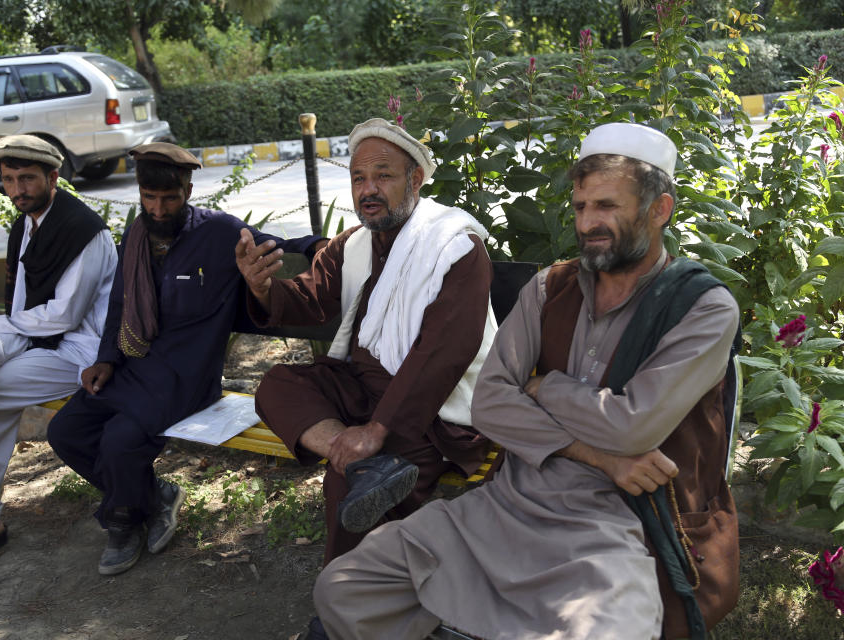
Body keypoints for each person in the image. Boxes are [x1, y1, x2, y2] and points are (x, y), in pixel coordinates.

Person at [312, 122, 742, 640]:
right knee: (346, 585)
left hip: (616, 525)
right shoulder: (549, 288)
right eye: (581, 207)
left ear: (659, 210)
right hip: (508, 504)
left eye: (607, 206)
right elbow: (490, 404)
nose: (588, 224)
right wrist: (600, 454)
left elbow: (633, 428)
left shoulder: (702, 308)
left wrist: (543, 387)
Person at [235, 118, 497, 638]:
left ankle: (340, 618)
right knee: (276, 385)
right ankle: (361, 471)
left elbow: (441, 357)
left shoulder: (455, 245)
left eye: (383, 175)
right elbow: (310, 297)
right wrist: (264, 290)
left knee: (345, 479)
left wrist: (378, 431)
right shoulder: (354, 243)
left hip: (430, 411)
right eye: (358, 177)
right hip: (358, 388)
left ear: (416, 180)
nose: (368, 189)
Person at [47, 142, 324, 576]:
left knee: (120, 441)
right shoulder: (135, 234)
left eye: (169, 198)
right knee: (65, 431)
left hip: (186, 378)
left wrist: (328, 245)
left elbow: (281, 246)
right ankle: (153, 496)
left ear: (188, 190)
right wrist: (105, 358)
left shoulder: (218, 234)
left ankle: (122, 522)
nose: (158, 209)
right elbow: (121, 303)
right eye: (149, 197)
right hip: (134, 367)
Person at [0, 135, 117, 573]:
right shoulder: (27, 222)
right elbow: (24, 304)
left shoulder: (84, 230)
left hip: (78, 352)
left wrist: (0, 325)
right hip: (34, 337)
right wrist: (4, 328)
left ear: (54, 176)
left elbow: (65, 314)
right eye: (9, 180)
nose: (17, 190)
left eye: (26, 179)